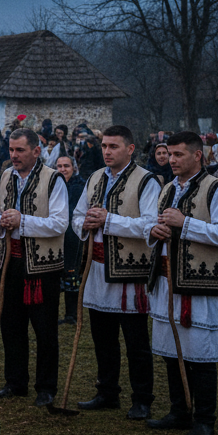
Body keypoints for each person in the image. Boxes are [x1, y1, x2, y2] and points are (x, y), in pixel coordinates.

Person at [72, 126, 157, 419]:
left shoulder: (146, 181)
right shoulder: (95, 177)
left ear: (130, 149)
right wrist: (84, 225)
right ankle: (107, 392)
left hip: (129, 271)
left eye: (114, 146)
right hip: (96, 269)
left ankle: (142, 398)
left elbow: (150, 225)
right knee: (103, 337)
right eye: (104, 146)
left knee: (135, 341)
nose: (107, 151)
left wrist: (109, 221)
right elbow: (77, 214)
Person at [145, 131, 218, 435]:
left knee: (199, 352)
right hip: (166, 278)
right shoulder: (167, 189)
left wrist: (185, 224)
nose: (172, 160)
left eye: (179, 155)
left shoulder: (215, 189)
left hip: (199, 281)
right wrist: (155, 231)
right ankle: (180, 410)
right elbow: (156, 224)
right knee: (170, 348)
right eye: (170, 154)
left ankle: (204, 418)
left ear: (197, 156)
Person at [0, 128, 69, 406]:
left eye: (20, 150)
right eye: (11, 149)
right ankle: (15, 382)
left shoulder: (53, 179)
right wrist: (1, 222)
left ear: (36, 151)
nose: (13, 155)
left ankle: (46, 388)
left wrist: (23, 221)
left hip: (42, 266)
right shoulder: (5, 176)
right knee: (11, 324)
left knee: (44, 329)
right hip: (8, 261)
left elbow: (60, 222)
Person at [56, 154, 85, 325]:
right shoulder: (53, 185)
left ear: (73, 168)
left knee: (72, 274)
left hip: (73, 236)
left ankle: (71, 314)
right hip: (55, 237)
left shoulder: (80, 186)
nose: (62, 169)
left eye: (66, 166)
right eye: (59, 166)